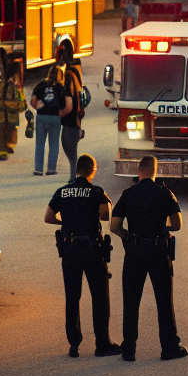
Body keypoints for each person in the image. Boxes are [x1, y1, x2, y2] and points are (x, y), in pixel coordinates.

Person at [110, 155, 187, 362]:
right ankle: (169, 347)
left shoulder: (128, 194)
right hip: (158, 250)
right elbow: (177, 224)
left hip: (135, 251)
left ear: (138, 171)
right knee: (164, 300)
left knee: (131, 300)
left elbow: (114, 226)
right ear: (155, 171)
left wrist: (127, 235)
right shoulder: (164, 193)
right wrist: (163, 229)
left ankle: (129, 349)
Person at [45, 154, 122, 358]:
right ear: (92, 171)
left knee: (72, 298)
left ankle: (74, 345)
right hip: (92, 249)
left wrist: (66, 223)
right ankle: (102, 344)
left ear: (77, 169)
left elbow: (48, 217)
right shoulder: (96, 191)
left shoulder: (62, 192)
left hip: (70, 250)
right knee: (99, 298)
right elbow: (106, 214)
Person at [31, 64, 69, 176]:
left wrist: (37, 107)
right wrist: (61, 114)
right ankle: (51, 169)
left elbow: (33, 100)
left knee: (39, 144)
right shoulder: (61, 87)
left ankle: (38, 169)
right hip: (55, 117)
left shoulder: (41, 85)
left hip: (41, 117)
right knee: (54, 144)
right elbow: (68, 105)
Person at [57, 43, 85, 181]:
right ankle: (74, 176)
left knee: (70, 149)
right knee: (71, 149)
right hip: (77, 119)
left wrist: (59, 115)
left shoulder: (68, 78)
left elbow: (68, 105)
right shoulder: (77, 73)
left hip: (70, 121)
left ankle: (74, 177)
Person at [0, 60, 25, 161]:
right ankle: (5, 149)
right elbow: (21, 100)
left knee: (3, 131)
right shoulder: (14, 86)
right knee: (7, 130)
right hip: (9, 114)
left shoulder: (2, 84)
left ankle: (4, 149)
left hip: (2, 114)